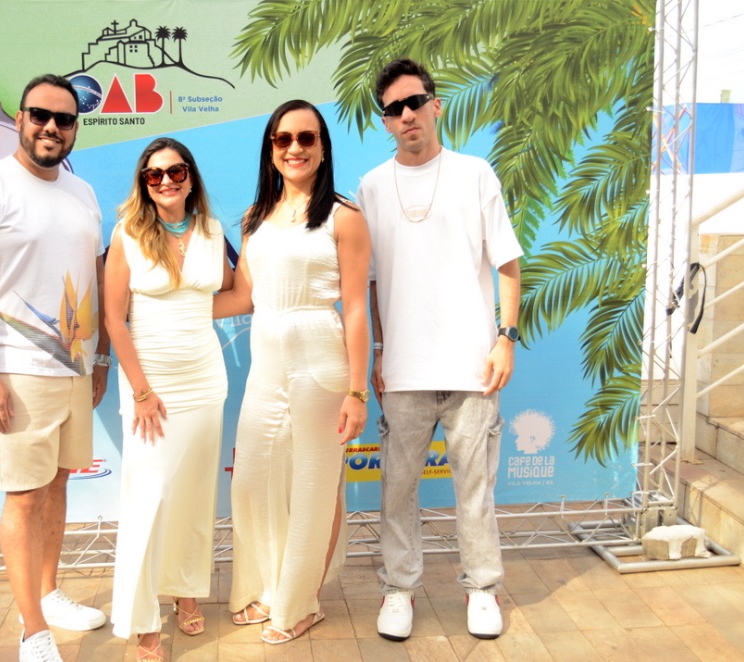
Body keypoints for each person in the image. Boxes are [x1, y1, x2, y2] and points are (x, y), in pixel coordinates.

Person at [356, 57, 523, 641]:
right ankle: (398, 590)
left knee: (475, 489)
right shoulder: (371, 187)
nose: (406, 115)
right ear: (385, 121)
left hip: (473, 366)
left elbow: (508, 263)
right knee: (397, 488)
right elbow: (371, 281)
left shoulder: (475, 174)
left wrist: (505, 338)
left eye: (414, 102)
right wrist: (380, 350)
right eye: (393, 109)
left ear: (436, 104)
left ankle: (482, 588)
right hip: (403, 369)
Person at [0, 74, 110, 662]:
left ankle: (47, 593)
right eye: (40, 115)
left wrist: (101, 359)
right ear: (20, 118)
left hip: (74, 369)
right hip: (15, 372)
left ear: (75, 128)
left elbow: (95, 279)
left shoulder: (82, 192)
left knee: (58, 484)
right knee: (23, 496)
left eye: (64, 119)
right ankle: (32, 632)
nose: (51, 127)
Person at [214, 99, 371, 645]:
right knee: (252, 483)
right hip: (267, 366)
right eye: (283, 139)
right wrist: (170, 307)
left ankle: (302, 603)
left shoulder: (345, 217)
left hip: (320, 363)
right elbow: (242, 296)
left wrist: (357, 391)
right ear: (271, 149)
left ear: (323, 148)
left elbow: (356, 308)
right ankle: (268, 585)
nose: (295, 148)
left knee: (313, 487)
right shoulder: (255, 218)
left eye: (307, 137)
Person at [104, 137, 232, 662]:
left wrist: (193, 315)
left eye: (175, 171)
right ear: (144, 183)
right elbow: (114, 319)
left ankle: (185, 591)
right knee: (148, 500)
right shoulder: (128, 234)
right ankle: (143, 623)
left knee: (194, 496)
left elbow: (232, 292)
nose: (165, 181)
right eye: (154, 175)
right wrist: (141, 391)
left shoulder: (212, 231)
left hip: (206, 381)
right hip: (149, 386)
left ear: (190, 176)